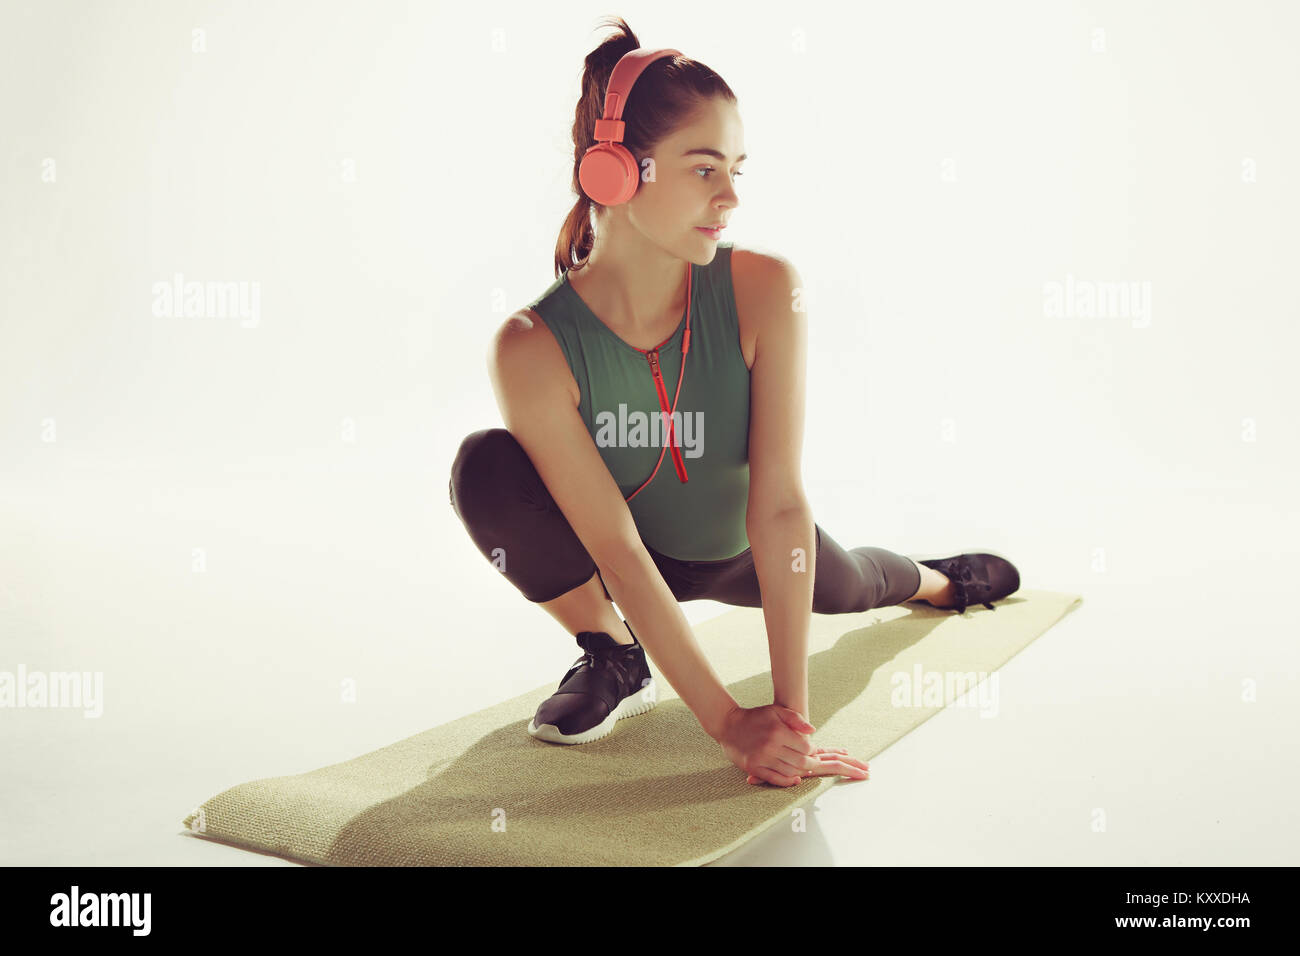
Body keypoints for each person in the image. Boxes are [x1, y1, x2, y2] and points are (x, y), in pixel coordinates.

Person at [449, 17, 1020, 788]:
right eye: (704, 168)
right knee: (484, 466)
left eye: (737, 170)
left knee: (849, 581)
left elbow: (780, 502)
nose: (730, 197)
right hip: (620, 566)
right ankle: (614, 653)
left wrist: (789, 722)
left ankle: (935, 578)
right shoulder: (530, 345)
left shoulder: (764, 289)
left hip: (747, 545)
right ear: (617, 173)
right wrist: (726, 723)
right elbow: (616, 546)